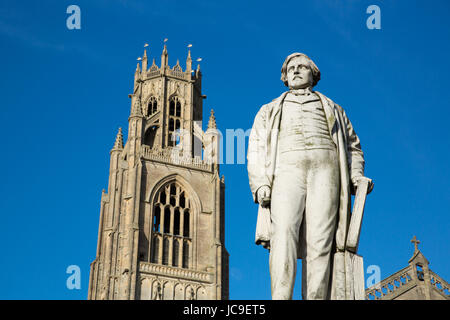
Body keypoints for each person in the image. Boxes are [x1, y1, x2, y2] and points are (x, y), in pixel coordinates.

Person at [247, 52, 373, 300]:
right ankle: (280, 296)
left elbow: (353, 148)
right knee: (283, 236)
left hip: (325, 169)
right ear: (284, 76)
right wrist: (261, 183)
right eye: (290, 68)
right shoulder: (269, 109)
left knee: (321, 241)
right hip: (286, 168)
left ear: (313, 75)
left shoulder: (335, 109)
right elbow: (256, 148)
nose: (295, 70)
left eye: (302, 67)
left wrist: (356, 175)